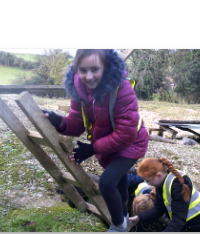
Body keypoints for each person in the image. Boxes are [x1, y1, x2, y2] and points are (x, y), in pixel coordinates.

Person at [43, 49, 149, 232]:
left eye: (95, 69)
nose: (89, 76)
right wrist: (57, 120)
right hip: (108, 143)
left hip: (131, 143)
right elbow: (76, 124)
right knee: (119, 181)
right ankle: (125, 220)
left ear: (106, 67)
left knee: (107, 182)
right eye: (83, 70)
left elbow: (126, 134)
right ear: (77, 69)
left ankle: (118, 227)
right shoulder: (78, 90)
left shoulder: (121, 89)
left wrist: (93, 148)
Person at [128, 157, 200, 231]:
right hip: (190, 226)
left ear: (158, 175)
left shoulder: (177, 186)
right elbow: (158, 209)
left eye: (149, 181)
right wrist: (138, 218)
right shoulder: (162, 184)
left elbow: (178, 221)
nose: (149, 184)